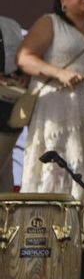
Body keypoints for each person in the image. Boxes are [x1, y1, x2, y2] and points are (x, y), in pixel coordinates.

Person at [17, 0, 84, 231]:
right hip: (57, 106)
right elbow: (25, 58)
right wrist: (59, 73)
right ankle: (47, 233)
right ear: (63, 1)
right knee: (58, 167)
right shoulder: (50, 23)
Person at [0, 14, 24, 192]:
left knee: (4, 171)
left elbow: (20, 62)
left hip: (7, 108)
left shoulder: (10, 24)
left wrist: (20, 77)